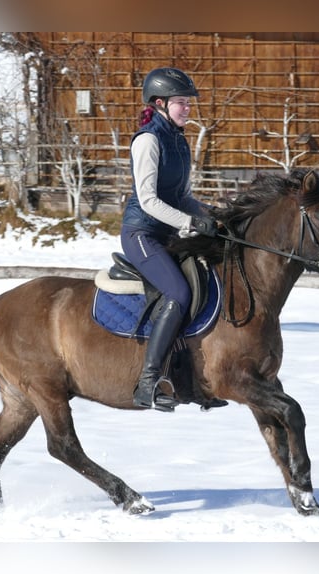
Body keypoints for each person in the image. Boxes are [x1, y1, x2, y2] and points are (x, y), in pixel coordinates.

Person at [121, 67, 218, 411]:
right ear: (160, 103)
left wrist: (212, 216)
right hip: (142, 234)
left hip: (169, 232)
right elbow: (149, 200)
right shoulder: (148, 141)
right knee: (178, 292)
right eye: (181, 103)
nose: (188, 109)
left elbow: (183, 196)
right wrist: (189, 222)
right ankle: (147, 383)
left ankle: (190, 379)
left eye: (189, 103)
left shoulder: (179, 139)